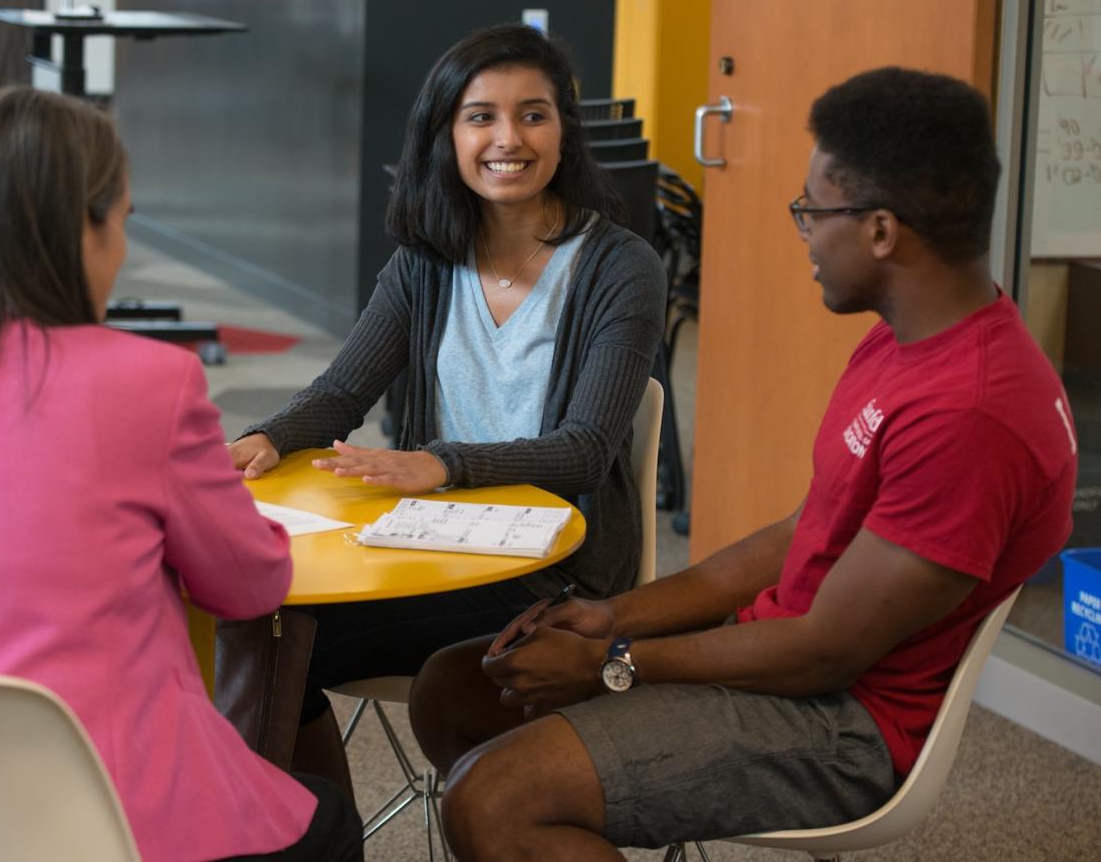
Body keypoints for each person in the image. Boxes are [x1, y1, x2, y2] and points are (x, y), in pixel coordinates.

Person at [406, 67, 1080, 862]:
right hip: (787, 655)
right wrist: (615, 617)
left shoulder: (973, 410)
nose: (803, 232)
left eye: (812, 210)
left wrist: (611, 665)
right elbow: (806, 531)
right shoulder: (905, 338)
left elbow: (830, 650)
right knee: (457, 689)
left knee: (495, 801)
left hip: (843, 722)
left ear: (881, 232)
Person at [0, 86, 362, 862]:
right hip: (108, 810)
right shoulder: (151, 384)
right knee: (330, 821)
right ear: (83, 228)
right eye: (123, 223)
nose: (123, 251)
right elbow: (250, 586)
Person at [225, 23, 667, 792]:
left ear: (565, 129)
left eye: (533, 114)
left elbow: (586, 448)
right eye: (480, 116)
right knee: (253, 621)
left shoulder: (620, 267)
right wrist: (265, 436)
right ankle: (312, 840)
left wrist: (442, 462)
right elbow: (341, 392)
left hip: (553, 570)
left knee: (279, 641)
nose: (508, 138)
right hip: (431, 541)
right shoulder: (426, 260)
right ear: (446, 134)